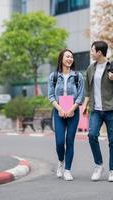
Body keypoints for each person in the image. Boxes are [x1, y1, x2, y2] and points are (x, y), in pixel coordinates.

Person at [83, 41, 113, 182]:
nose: (91, 52)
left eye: (92, 50)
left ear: (99, 52)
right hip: (96, 110)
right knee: (92, 135)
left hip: (111, 109)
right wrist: (85, 106)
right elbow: (87, 89)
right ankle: (99, 165)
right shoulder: (90, 68)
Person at [48, 49, 84, 181]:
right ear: (61, 59)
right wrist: (59, 109)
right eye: (67, 56)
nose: (70, 59)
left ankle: (67, 170)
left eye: (71, 57)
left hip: (73, 112)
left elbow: (80, 96)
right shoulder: (54, 76)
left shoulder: (77, 76)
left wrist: (72, 109)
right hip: (58, 112)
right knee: (59, 142)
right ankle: (60, 161)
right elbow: (51, 96)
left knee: (70, 141)